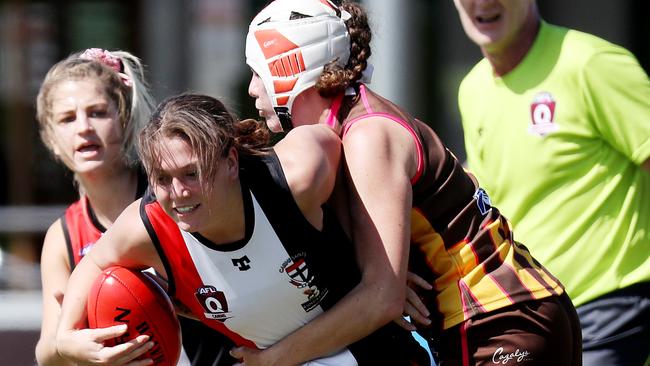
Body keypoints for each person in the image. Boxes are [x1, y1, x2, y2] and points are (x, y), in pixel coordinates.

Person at [241, 0, 582, 365]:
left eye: (259, 73)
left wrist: (273, 358)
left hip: (502, 319)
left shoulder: (367, 135)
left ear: (290, 69)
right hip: (497, 319)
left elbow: (380, 300)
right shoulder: (345, 128)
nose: (251, 89)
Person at [54, 93, 430, 365]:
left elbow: (347, 141)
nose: (179, 193)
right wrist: (67, 337)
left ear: (231, 162)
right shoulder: (148, 225)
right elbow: (95, 262)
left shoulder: (297, 174)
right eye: (162, 179)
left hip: (375, 352)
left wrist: (381, 260)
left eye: (192, 173)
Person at [452, 1, 650, 365]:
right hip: (531, 315)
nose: (482, 2)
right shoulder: (473, 88)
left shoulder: (593, 64)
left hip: (609, 306)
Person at [34, 49, 233, 366]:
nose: (84, 127)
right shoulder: (62, 236)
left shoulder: (173, 193)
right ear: (51, 138)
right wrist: (70, 346)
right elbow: (46, 350)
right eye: (67, 118)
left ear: (123, 118)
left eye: (98, 112)